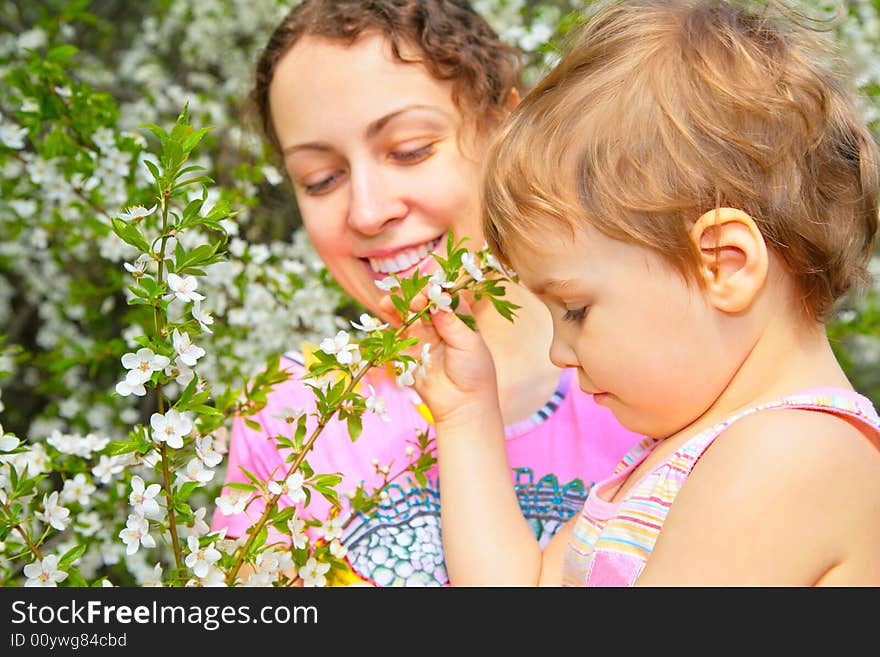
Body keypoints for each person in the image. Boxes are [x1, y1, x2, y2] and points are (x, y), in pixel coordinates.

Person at [403, 0, 880, 586]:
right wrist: (465, 417)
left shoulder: (793, 456)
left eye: (575, 309)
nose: (559, 352)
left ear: (724, 265)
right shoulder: (678, 458)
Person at [211, 0, 642, 586]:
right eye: (321, 179)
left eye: (410, 149)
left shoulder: (656, 380)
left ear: (505, 131)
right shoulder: (290, 416)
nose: (367, 211)